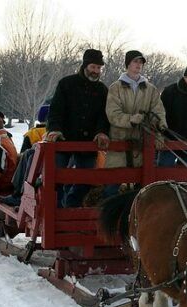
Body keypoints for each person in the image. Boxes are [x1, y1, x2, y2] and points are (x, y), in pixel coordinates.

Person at [46, 48, 109, 207]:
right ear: (85, 65)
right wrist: (55, 129)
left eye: (99, 68)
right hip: (65, 137)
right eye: (93, 67)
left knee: (86, 179)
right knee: (56, 177)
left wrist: (101, 132)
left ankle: (71, 205)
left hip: (88, 142)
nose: (96, 71)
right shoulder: (67, 84)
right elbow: (56, 110)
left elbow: (104, 116)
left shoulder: (102, 90)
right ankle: (57, 210)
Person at [103, 50, 166, 197]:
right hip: (119, 142)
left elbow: (158, 112)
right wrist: (130, 119)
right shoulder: (116, 88)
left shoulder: (150, 89)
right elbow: (112, 114)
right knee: (112, 187)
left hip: (142, 145)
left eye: (141, 62)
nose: (138, 65)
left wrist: (160, 129)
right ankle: (107, 217)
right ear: (127, 64)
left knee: (142, 190)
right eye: (135, 61)